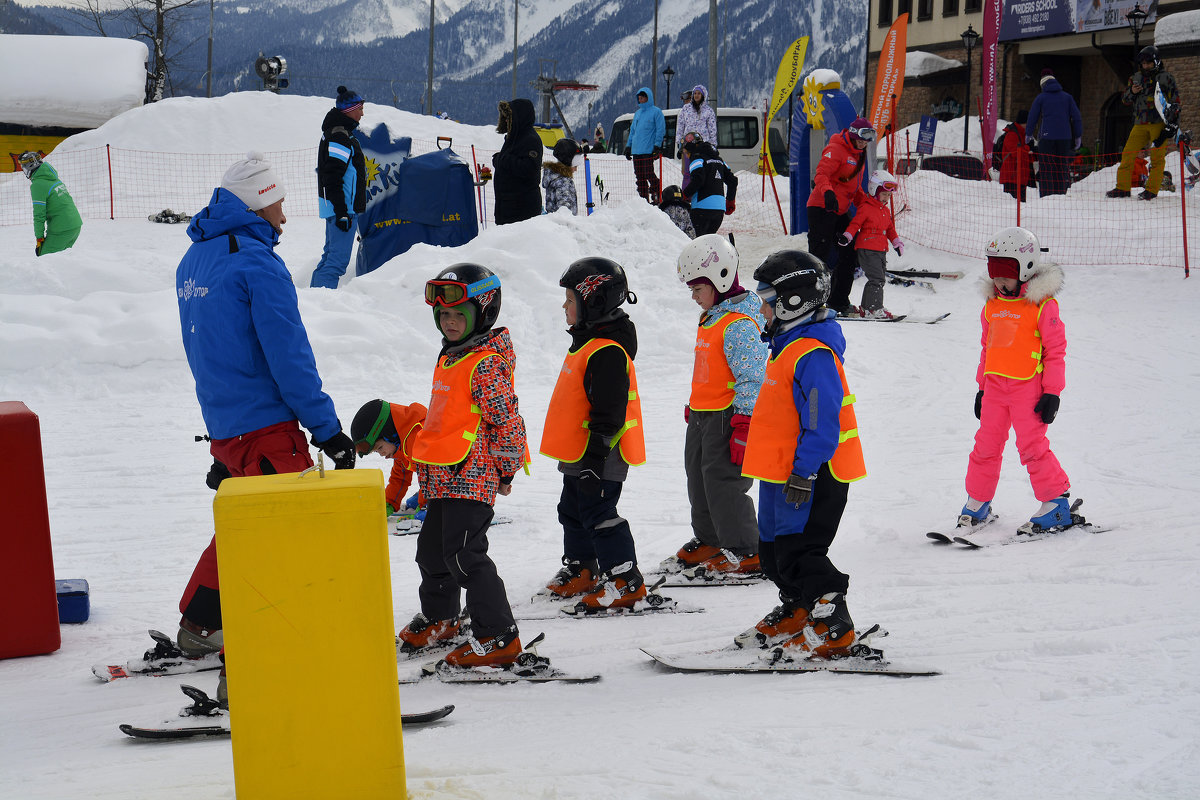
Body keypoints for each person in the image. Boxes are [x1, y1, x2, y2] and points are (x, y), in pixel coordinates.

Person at [175, 151, 357, 660]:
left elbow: (205, 353)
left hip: (228, 429)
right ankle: (275, 643)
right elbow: (289, 355)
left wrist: (219, 442)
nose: (284, 212)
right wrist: (327, 430)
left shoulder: (194, 260)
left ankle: (202, 623)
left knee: (245, 530)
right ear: (257, 202)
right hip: (267, 431)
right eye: (277, 200)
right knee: (296, 532)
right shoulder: (257, 262)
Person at [734, 250, 866, 657]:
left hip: (812, 476)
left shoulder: (813, 354)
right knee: (773, 556)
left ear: (794, 303)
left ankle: (834, 622)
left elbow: (822, 423)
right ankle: (798, 608)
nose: (762, 312)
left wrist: (804, 472)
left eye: (767, 303)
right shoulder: (784, 347)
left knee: (800, 554)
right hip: (780, 476)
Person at [406, 263, 527, 666]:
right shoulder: (452, 355)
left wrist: (507, 468)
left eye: (459, 315)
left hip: (472, 479)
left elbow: (506, 419)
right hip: (444, 477)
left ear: (482, 314)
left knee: (464, 557)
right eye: (444, 316)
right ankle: (442, 617)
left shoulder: (486, 363)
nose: (451, 322)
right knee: (431, 552)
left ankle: (498, 636)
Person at [539, 257, 648, 612]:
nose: (564, 306)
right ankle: (583, 566)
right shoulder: (588, 341)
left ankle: (625, 580)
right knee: (572, 508)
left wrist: (595, 459)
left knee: (598, 510)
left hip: (602, 452)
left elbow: (609, 412)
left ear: (593, 302)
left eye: (570, 299)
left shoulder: (607, 352)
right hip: (580, 452)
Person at [957, 227, 1072, 533]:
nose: (998, 279)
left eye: (1005, 271)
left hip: (1028, 391)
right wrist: (982, 388)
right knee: (985, 446)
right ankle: (978, 501)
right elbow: (987, 348)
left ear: (1026, 268)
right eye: (993, 270)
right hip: (995, 389)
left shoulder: (1042, 306)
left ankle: (1056, 503)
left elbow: (1055, 351)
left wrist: (1052, 393)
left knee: (1032, 446)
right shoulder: (992, 305)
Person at [668, 235, 766, 579]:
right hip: (703, 415)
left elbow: (752, 376)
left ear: (720, 280)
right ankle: (711, 539)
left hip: (729, 415)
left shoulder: (738, 323)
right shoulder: (713, 316)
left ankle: (746, 549)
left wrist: (744, 421)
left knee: (724, 482)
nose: (694, 296)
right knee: (698, 476)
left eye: (698, 289)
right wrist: (695, 405)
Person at [807, 118, 875, 316]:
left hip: (840, 209)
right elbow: (821, 174)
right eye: (863, 137)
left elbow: (853, 189)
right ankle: (813, 302)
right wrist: (828, 193)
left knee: (849, 253)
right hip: (822, 207)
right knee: (820, 255)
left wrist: (869, 205)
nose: (865, 142)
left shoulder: (859, 155)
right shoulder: (836, 148)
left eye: (869, 138)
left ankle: (838, 301)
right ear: (854, 133)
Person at [1107, 46, 1181, 201]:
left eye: (1149, 63)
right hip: (1139, 123)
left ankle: (1151, 190)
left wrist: (1171, 127)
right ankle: (1122, 188)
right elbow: (1125, 100)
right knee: (1127, 154)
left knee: (1157, 158)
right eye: (1143, 63)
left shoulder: (1166, 78)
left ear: (1156, 61)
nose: (1146, 66)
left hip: (1158, 123)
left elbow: (1175, 104)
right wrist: (1132, 92)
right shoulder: (1135, 78)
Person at [311, 86, 367, 290]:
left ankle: (313, 300)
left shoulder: (338, 132)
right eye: (360, 108)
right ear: (349, 110)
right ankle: (321, 305)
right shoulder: (339, 136)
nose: (362, 113)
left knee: (329, 258)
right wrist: (342, 212)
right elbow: (332, 176)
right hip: (342, 209)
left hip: (338, 207)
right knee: (336, 263)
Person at [837, 170, 904, 319]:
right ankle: (874, 309)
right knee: (877, 279)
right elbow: (855, 224)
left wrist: (896, 243)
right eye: (884, 194)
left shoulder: (885, 211)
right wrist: (847, 236)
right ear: (874, 190)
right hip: (867, 249)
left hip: (880, 250)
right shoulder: (866, 207)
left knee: (876, 279)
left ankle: (867, 308)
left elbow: (890, 229)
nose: (887, 198)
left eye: (889, 195)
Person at [350, 399, 427, 515]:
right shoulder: (401, 443)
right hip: (438, 482)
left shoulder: (418, 435)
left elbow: (431, 476)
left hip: (458, 480)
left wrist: (426, 506)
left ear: (389, 433)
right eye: (377, 452)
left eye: (380, 448)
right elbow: (399, 477)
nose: (382, 454)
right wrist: (389, 502)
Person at [1025, 69, 1082, 197]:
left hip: (1046, 138)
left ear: (1043, 85)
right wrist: (1078, 136)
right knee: (1062, 168)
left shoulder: (1041, 97)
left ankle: (1047, 197)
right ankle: (1060, 195)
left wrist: (1028, 134)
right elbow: (1077, 117)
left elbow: (1032, 117)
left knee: (1047, 168)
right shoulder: (1068, 98)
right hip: (1065, 138)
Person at [18, 151, 81, 257]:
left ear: (29, 167)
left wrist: (39, 238)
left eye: (23, 167)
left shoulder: (38, 184)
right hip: (75, 226)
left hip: (62, 229)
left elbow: (39, 215)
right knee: (61, 261)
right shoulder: (52, 178)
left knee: (44, 258)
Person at [492, 98, 544, 224]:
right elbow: (510, 160)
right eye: (504, 117)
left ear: (518, 118)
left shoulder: (531, 139)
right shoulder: (514, 137)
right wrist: (499, 160)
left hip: (521, 209)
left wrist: (502, 159)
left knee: (519, 243)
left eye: (508, 117)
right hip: (507, 206)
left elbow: (529, 168)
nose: (505, 120)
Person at [681, 139, 737, 237]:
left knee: (698, 242)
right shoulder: (720, 160)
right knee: (708, 241)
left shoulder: (697, 159)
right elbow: (732, 181)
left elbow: (698, 180)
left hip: (701, 207)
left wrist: (684, 195)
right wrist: (730, 202)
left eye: (686, 153)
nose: (686, 156)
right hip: (719, 210)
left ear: (691, 150)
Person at [624, 87, 666, 203]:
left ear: (648, 97)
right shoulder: (637, 114)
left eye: (642, 97)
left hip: (648, 149)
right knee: (639, 176)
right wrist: (628, 147)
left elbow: (660, 130)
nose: (640, 99)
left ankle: (657, 194)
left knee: (649, 174)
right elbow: (632, 132)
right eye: (639, 97)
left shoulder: (656, 112)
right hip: (637, 150)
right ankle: (643, 200)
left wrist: (657, 145)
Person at [676, 84, 718, 187]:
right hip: (688, 146)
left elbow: (712, 129)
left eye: (699, 93)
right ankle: (687, 196)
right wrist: (679, 143)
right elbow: (680, 126)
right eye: (695, 93)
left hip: (703, 146)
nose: (696, 95)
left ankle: (702, 195)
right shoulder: (686, 109)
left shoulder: (708, 111)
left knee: (702, 171)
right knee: (687, 172)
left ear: (703, 95)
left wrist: (713, 145)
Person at [993, 110, 1035, 201]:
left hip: (1020, 176)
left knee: (1021, 207)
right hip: (1012, 177)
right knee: (1012, 206)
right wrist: (1028, 148)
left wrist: (1033, 152)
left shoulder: (1023, 135)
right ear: (1023, 123)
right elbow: (1016, 153)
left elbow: (1025, 155)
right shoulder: (1012, 134)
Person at [542, 138, 580, 215]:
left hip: (555, 223)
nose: (576, 169)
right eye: (575, 165)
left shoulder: (556, 177)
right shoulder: (562, 182)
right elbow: (565, 211)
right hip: (563, 225)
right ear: (567, 161)